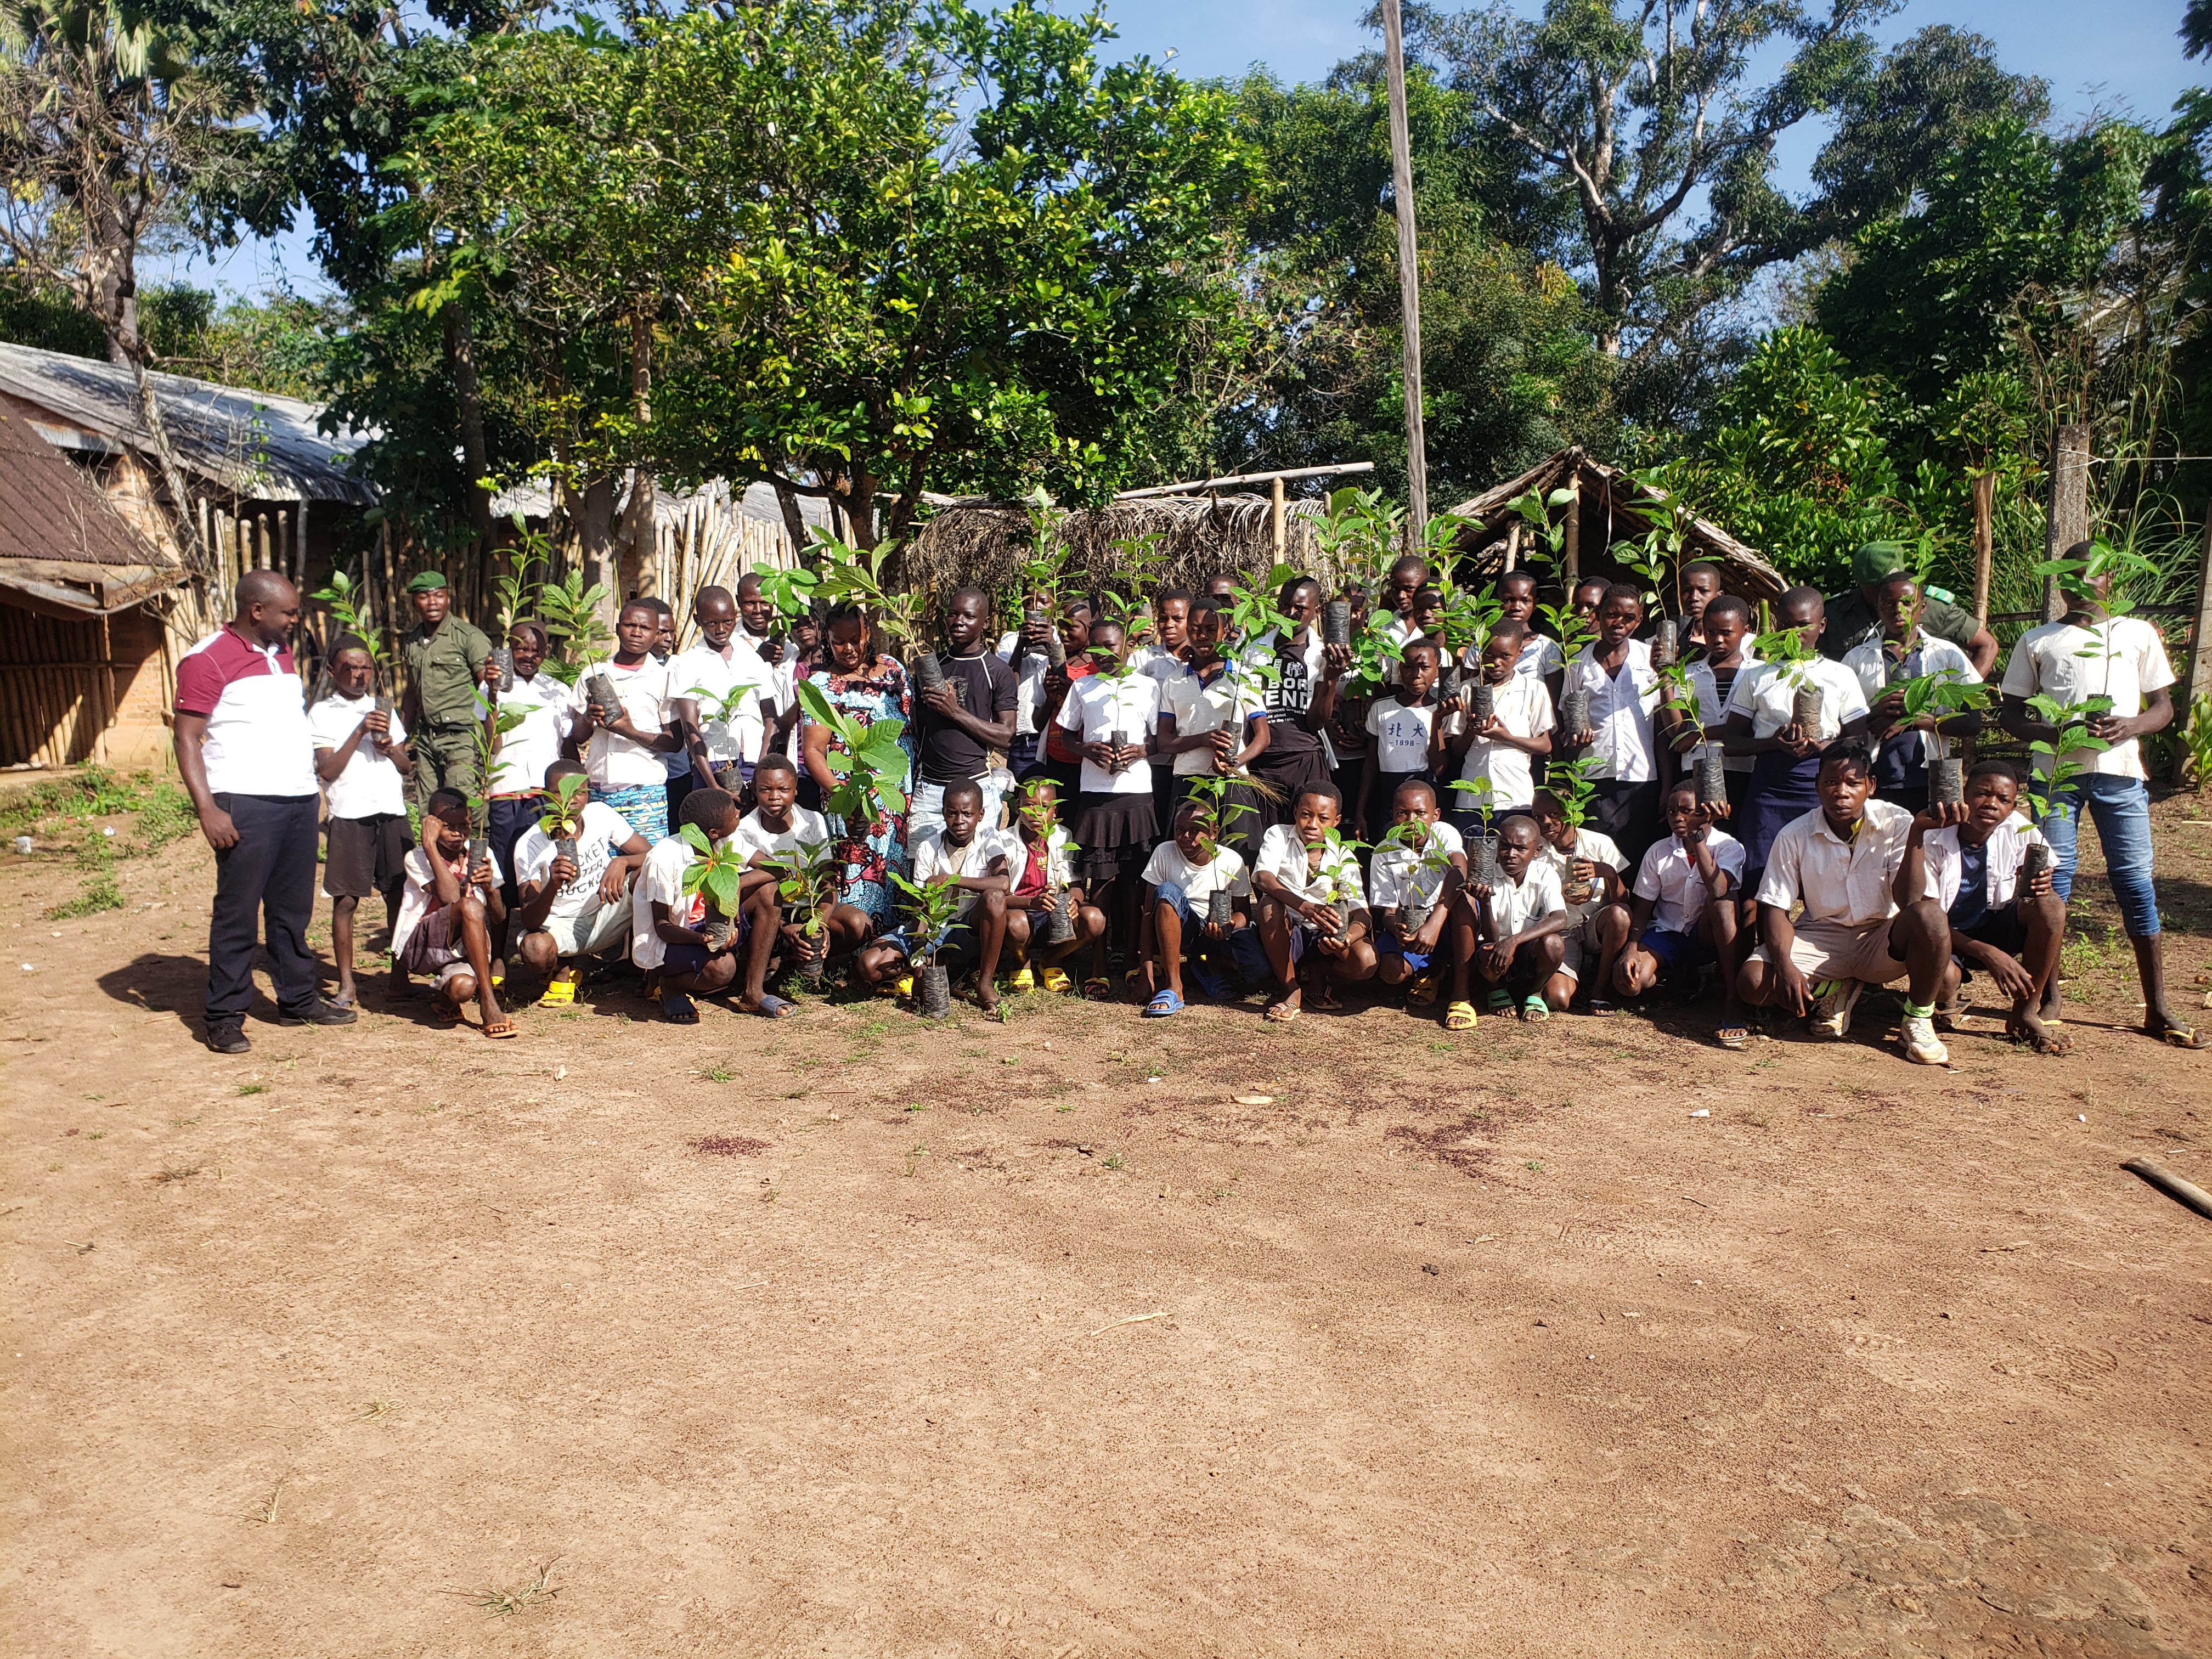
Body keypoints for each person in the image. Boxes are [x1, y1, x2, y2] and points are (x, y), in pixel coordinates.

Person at [1997, 543, 2199, 1047]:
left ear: (2111, 579)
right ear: (2060, 582)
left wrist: (2130, 726)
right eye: (2071, 577)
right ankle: (2046, 996)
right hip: (2056, 775)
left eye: (2093, 576)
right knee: (2052, 879)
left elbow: (2163, 708)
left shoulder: (2134, 634)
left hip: (2121, 774)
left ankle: (2156, 1004)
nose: (2082, 585)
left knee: (2133, 880)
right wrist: (2057, 731)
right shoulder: (2040, 639)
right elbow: (2011, 714)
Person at [173, 570, 354, 1052]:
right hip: (244, 801)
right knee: (237, 912)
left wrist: (311, 792)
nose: (296, 620)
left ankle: (297, 999)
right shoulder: (206, 658)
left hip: (296, 800)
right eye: (289, 613)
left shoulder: (282, 652)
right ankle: (225, 1014)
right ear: (257, 611)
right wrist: (207, 809)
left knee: (292, 908)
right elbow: (187, 737)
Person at [1735, 743, 1953, 1065]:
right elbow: (1776, 908)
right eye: (1831, 783)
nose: (1841, 792)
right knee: (1753, 984)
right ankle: (1835, 987)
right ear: (1817, 787)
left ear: (1871, 787)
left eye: (1853, 783)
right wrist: (1786, 965)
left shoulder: (1897, 821)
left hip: (1880, 937)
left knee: (1930, 917)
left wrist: (1918, 833)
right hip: (1823, 936)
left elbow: (1908, 901)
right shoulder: (1794, 834)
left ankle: (1918, 1019)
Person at [1907, 761, 2067, 1054]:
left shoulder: (2020, 829)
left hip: (1996, 924)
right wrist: (1990, 954)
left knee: (2051, 906)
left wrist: (2042, 885)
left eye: (2003, 800)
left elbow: (2044, 893)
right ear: (1963, 794)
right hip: (1945, 936)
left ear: (2012, 806)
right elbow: (1924, 916)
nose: (1991, 804)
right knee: (1944, 980)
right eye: (1982, 794)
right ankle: (1944, 997)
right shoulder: (1933, 835)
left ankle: (2025, 1013)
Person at [1719, 586, 1871, 888]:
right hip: (1769, 787)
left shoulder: (1839, 675)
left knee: (1825, 879)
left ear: (1822, 625)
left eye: (1804, 625)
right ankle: (1765, 935)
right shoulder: (1758, 676)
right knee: (1759, 882)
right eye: (1787, 627)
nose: (1795, 634)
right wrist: (1773, 743)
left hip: (1822, 785)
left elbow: (1859, 740)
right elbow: (1732, 743)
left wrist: (1826, 747)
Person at [1051, 617, 1166, 986]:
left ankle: (1131, 958)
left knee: (1133, 881)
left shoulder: (1148, 687)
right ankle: (1099, 964)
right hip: (1097, 796)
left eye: (1111, 647)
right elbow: (1067, 737)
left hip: (1136, 794)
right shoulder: (1083, 687)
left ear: (1127, 646)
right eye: (1096, 648)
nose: (1104, 655)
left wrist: (1140, 750)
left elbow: (1161, 739)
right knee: (1099, 881)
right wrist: (1088, 749)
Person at [308, 638, 413, 1009]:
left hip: (391, 810)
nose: (358, 675)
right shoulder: (322, 713)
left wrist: (389, 747)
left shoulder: (383, 708)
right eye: (349, 668)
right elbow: (328, 770)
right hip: (349, 814)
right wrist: (358, 733)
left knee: (399, 895)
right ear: (333, 671)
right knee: (347, 900)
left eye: (365, 668)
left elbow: (404, 767)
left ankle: (399, 981)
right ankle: (347, 986)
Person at [799, 605, 916, 935]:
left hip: (896, 796)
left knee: (895, 865)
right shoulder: (822, 684)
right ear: (828, 640)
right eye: (839, 642)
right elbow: (813, 752)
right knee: (858, 866)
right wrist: (845, 799)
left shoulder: (893, 671)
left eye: (855, 639)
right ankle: (858, 945)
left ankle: (893, 947)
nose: (848, 649)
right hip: (853, 796)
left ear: (868, 634)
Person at [860, 778, 1018, 1012]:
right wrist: (921, 952)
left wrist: (950, 879)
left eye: (967, 814)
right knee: (869, 965)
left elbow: (1003, 883)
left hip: (970, 930)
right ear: (943, 812)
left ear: (981, 814)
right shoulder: (928, 848)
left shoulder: (990, 840)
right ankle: (931, 966)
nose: (959, 821)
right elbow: (920, 911)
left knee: (994, 897)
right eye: (952, 813)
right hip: (934, 929)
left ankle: (985, 981)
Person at [633, 787, 781, 1022]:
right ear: (713, 832)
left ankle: (754, 992)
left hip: (713, 925)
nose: (739, 816)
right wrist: (703, 940)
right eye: (734, 816)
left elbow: (777, 869)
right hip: (678, 937)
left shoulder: (728, 840)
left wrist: (733, 888)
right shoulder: (663, 858)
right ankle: (668, 984)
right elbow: (662, 926)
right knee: (723, 970)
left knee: (768, 892)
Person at [1614, 783, 1747, 1041]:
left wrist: (1697, 839)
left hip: (1706, 936)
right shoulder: (1658, 851)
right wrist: (1631, 947)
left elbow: (1719, 887)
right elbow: (1643, 908)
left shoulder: (1729, 847)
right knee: (1629, 986)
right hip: (1668, 933)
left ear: (1707, 813)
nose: (1677, 818)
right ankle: (1676, 975)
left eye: (1687, 811)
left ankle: (1732, 997)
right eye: (1672, 811)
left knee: (1722, 902)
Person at [1843, 571, 1982, 815]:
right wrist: (1873, 712)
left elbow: (1971, 723)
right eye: (1888, 604)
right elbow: (1838, 722)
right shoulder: (1857, 659)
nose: (1898, 610)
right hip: (1874, 776)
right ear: (1878, 609)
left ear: (1923, 607)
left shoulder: (1948, 656)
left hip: (1931, 776)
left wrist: (1913, 720)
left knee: (1931, 841)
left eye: (1908, 603)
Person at [510, 760, 651, 998]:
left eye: (580, 792)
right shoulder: (530, 844)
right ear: (546, 797)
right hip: (559, 924)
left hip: (606, 912)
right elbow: (530, 920)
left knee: (647, 876)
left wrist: (622, 862)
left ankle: (652, 968)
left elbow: (652, 855)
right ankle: (560, 966)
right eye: (561, 792)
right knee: (535, 950)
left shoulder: (600, 814)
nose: (572, 799)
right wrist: (553, 885)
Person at [733, 753, 874, 976]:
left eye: (783, 789)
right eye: (765, 790)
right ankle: (774, 953)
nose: (774, 797)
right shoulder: (744, 831)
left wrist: (819, 924)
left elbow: (827, 880)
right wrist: (782, 927)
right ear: (754, 791)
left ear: (796, 790)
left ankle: (809, 957)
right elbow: (749, 897)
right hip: (768, 914)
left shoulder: (813, 821)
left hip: (808, 909)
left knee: (857, 924)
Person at [389, 788, 514, 1037]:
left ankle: (446, 1001)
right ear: (431, 825)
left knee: (463, 988)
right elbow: (450, 898)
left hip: (463, 950)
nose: (458, 833)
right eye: (448, 827)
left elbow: (499, 918)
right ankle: (488, 1002)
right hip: (421, 947)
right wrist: (429, 845)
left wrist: (490, 889)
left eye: (463, 825)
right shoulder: (418, 857)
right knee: (468, 906)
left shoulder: (481, 855)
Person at [481, 619, 573, 950]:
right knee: (506, 870)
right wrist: (493, 694)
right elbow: (492, 742)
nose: (529, 656)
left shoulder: (557, 690)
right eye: (521, 648)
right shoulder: (492, 688)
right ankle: (499, 954)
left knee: (544, 866)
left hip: (546, 796)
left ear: (547, 652)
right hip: (507, 791)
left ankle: (547, 942)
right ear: (509, 649)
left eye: (537, 650)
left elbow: (569, 742)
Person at [1556, 584, 1663, 865]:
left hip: (1641, 773)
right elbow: (1568, 720)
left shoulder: (1649, 659)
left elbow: (1662, 726)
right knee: (1600, 852)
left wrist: (1667, 783)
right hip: (1595, 773)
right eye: (1612, 615)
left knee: (1638, 852)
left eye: (1629, 618)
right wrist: (1574, 744)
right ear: (1598, 615)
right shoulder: (1577, 663)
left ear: (1639, 621)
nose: (1619, 623)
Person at [1251, 781, 1375, 1022]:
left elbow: (1362, 913)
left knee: (1366, 960)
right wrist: (1304, 906)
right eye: (1306, 815)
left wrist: (1346, 939)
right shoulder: (1278, 835)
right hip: (1286, 931)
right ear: (1296, 812)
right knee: (1268, 905)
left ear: (1336, 822)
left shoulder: (1343, 856)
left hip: (1322, 936)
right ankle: (1290, 987)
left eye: (1323, 818)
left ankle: (1318, 972)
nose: (1312, 824)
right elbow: (1264, 879)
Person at [567, 599, 685, 843]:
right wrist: (588, 717)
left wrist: (629, 731)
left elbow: (674, 742)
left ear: (656, 635)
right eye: (630, 625)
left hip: (645, 789)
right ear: (618, 627)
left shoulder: (663, 678)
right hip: (600, 788)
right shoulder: (594, 674)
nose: (636, 633)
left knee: (647, 865)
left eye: (645, 628)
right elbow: (577, 736)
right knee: (603, 867)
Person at [1157, 600, 1269, 848]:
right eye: (1195, 629)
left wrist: (1236, 762)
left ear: (1225, 631)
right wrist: (1203, 739)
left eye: (1211, 628)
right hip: (1188, 780)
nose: (1202, 636)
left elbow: (1263, 736)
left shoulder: (1243, 677)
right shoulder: (1174, 681)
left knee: (1240, 856)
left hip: (1233, 780)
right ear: (1187, 631)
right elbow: (1164, 741)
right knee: (1188, 853)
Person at [1137, 796, 1262, 1015]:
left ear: (1213, 834)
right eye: (1179, 829)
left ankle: (1208, 966)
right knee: (1167, 892)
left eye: (1195, 831)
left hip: (1221, 933)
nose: (1185, 837)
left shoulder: (1231, 860)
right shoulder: (1165, 853)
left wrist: (1230, 924)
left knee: (1259, 973)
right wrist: (1145, 973)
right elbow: (1149, 913)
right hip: (1185, 929)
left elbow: (1244, 911)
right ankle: (1174, 986)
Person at [910, 587, 1019, 839]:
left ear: (985, 623)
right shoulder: (930, 667)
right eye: (952, 614)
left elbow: (1007, 736)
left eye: (968, 616)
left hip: (975, 788)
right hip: (930, 790)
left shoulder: (997, 672)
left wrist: (955, 712)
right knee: (924, 872)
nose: (958, 622)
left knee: (975, 871)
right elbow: (919, 727)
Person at [1246, 577, 1349, 828]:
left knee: (1309, 838)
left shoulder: (1322, 653)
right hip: (1264, 762)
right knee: (1265, 841)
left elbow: (1316, 723)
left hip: (1305, 759)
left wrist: (1331, 678)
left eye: (1301, 608)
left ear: (1317, 610)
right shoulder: (1256, 651)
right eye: (1284, 605)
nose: (1290, 613)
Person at [1441, 619, 1553, 839]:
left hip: (1515, 795)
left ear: (1520, 652)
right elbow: (1456, 750)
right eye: (1489, 655)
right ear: (1480, 652)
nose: (1496, 663)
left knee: (1511, 857)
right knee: (1475, 861)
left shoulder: (1533, 690)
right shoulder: (1467, 690)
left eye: (1505, 656)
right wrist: (1471, 732)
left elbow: (1545, 744)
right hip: (1471, 796)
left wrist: (1507, 737)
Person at [1822, 541, 1999, 675]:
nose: (1889, 597)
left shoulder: (1932, 609)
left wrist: (1962, 699)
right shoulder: (1837, 613)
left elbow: (1987, 646)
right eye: (1877, 590)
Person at [671, 584, 776, 806]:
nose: (721, 629)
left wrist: (762, 769)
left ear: (735, 616)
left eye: (728, 622)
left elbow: (771, 719)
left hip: (754, 760)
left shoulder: (751, 657)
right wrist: (711, 783)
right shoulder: (687, 663)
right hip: (713, 765)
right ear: (698, 620)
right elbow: (691, 729)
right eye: (711, 623)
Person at [1529, 789, 1630, 1014]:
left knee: (1619, 916)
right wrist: (1558, 895)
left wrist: (1609, 874)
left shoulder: (1599, 843)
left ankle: (1600, 989)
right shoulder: (1535, 850)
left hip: (1596, 924)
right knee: (1558, 1000)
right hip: (1563, 931)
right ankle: (1571, 976)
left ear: (1571, 813)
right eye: (1538, 816)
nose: (1546, 822)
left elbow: (1623, 902)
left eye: (1554, 814)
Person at [1369, 778, 1466, 1015]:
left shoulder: (1444, 833)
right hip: (1412, 921)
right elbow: (1389, 911)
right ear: (1393, 815)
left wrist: (1435, 923)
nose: (1412, 822)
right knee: (1391, 971)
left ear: (1435, 815)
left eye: (1421, 813)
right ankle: (1429, 972)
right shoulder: (1384, 851)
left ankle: (1461, 992)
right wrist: (1397, 929)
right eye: (1403, 813)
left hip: (1445, 917)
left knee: (1466, 900)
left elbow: (1459, 869)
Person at [1462, 813, 1568, 1023]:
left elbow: (1560, 919)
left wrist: (1514, 940)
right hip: (1496, 952)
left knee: (1554, 944)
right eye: (1504, 846)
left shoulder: (1545, 874)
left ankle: (1535, 992)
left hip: (1528, 952)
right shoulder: (1487, 876)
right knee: (1490, 951)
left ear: (1536, 851)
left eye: (1521, 848)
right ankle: (1496, 988)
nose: (1511, 854)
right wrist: (1484, 903)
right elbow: (1489, 936)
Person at [1003, 775, 1105, 994]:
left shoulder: (1062, 837)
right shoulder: (1002, 840)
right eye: (1030, 806)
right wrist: (1031, 902)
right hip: (1020, 913)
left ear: (1054, 812)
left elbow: (1075, 885)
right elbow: (997, 897)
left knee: (1095, 920)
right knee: (1017, 923)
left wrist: (1074, 901)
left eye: (1044, 807)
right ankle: (1022, 961)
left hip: (1054, 915)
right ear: (1018, 806)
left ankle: (1051, 960)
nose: (1036, 813)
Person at [397, 571, 494, 802]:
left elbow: (490, 689)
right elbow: (412, 693)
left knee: (461, 805)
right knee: (428, 807)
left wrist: (490, 742)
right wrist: (401, 739)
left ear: (448, 599)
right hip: (427, 738)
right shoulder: (412, 642)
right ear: (414, 602)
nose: (433, 603)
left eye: (439, 596)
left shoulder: (468, 637)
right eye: (424, 597)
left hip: (462, 738)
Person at [1669, 595, 1757, 817]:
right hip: (1695, 768)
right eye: (1710, 632)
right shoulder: (1688, 674)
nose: (1717, 639)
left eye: (1726, 633)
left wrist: (1702, 734)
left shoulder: (1759, 673)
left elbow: (1756, 725)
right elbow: (1676, 733)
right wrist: (1665, 680)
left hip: (1743, 769)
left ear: (1745, 630)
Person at [1354, 637, 1444, 841]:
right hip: (1387, 793)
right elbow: (1371, 762)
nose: (1416, 675)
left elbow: (1441, 766)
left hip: (1425, 791)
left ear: (1437, 670)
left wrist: (1438, 720)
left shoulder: (1442, 710)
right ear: (1399, 669)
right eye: (1409, 667)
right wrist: (1360, 811)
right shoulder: (1381, 709)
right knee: (1389, 849)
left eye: (1424, 667)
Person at [992, 588, 1059, 775]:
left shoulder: (1063, 640)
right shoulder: (1010, 640)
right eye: (1029, 603)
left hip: (1053, 734)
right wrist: (1021, 645)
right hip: (1023, 735)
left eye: (1044, 602)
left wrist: (1051, 645)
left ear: (1053, 605)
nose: (1036, 607)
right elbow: (1005, 685)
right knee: (1023, 796)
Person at [1493, 571, 1565, 690]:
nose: (1516, 607)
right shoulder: (1482, 644)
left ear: (1535, 605)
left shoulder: (1547, 648)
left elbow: (1552, 698)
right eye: (1508, 600)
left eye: (1525, 601)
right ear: (1497, 602)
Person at [1380, 555, 1432, 646]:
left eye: (1409, 588)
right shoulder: (1384, 626)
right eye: (1395, 588)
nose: (1401, 596)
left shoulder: (1438, 625)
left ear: (1425, 586)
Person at [1677, 560, 1728, 652]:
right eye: (1687, 591)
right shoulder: (1662, 643)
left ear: (1719, 596)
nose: (1694, 598)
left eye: (1703, 591)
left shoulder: (1737, 644)